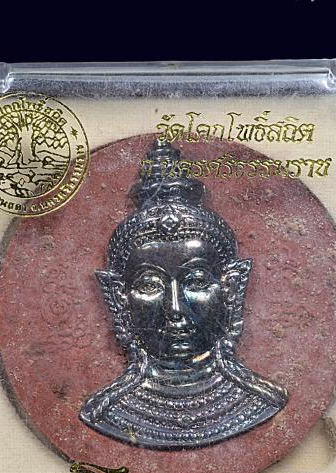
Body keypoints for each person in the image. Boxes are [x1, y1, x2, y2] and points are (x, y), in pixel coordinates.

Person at [79, 140, 288, 449]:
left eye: (197, 282)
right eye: (150, 285)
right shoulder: (106, 412)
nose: (175, 309)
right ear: (120, 298)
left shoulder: (262, 400)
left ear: (231, 289)